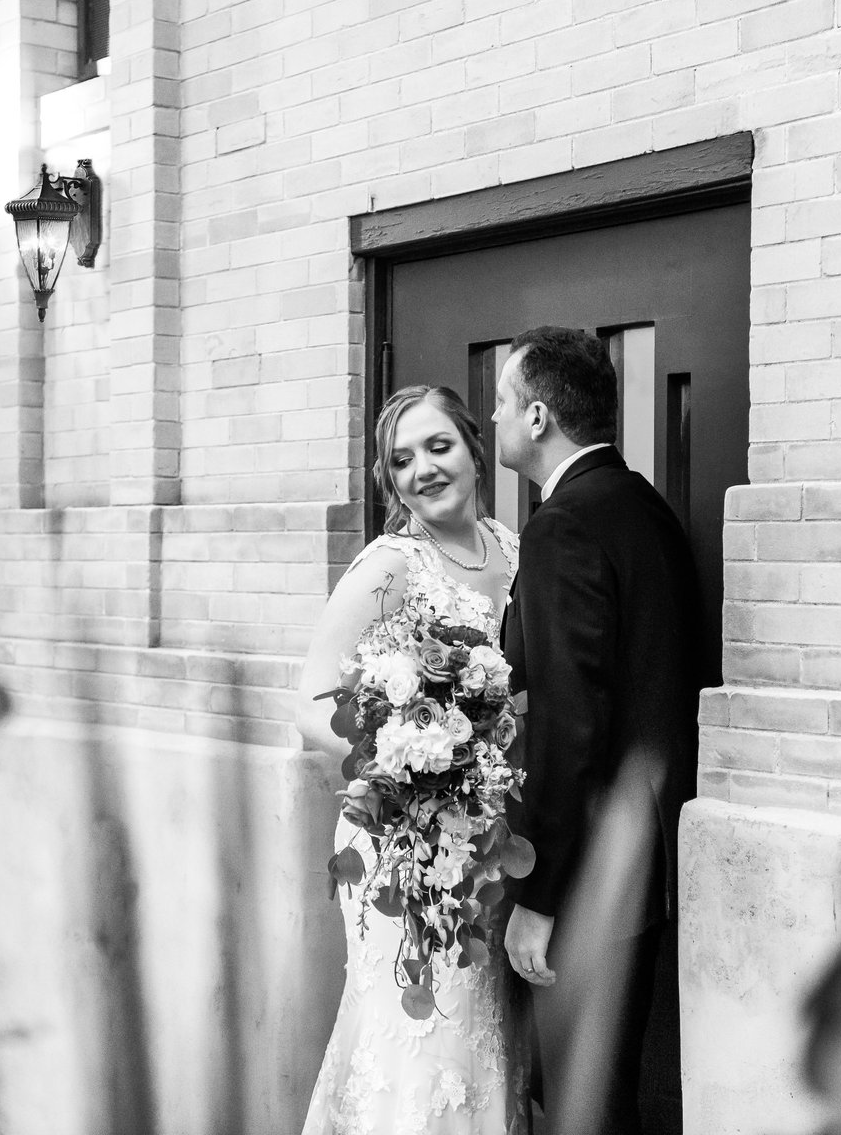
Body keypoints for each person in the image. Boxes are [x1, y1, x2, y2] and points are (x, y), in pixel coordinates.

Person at [296, 384, 528, 1135]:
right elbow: (309, 704)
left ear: (474, 451)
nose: (423, 469)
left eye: (438, 446)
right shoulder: (390, 566)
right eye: (401, 460)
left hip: (486, 844)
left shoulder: (513, 550)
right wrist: (405, 767)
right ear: (389, 480)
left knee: (478, 1038)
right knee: (419, 1041)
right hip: (404, 844)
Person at [493, 327, 705, 1135]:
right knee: (612, 1094)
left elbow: (570, 720)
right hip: (649, 854)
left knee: (585, 1103)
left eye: (504, 401)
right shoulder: (645, 507)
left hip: (590, 872)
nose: (495, 416)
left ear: (538, 416)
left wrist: (541, 897)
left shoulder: (564, 525)